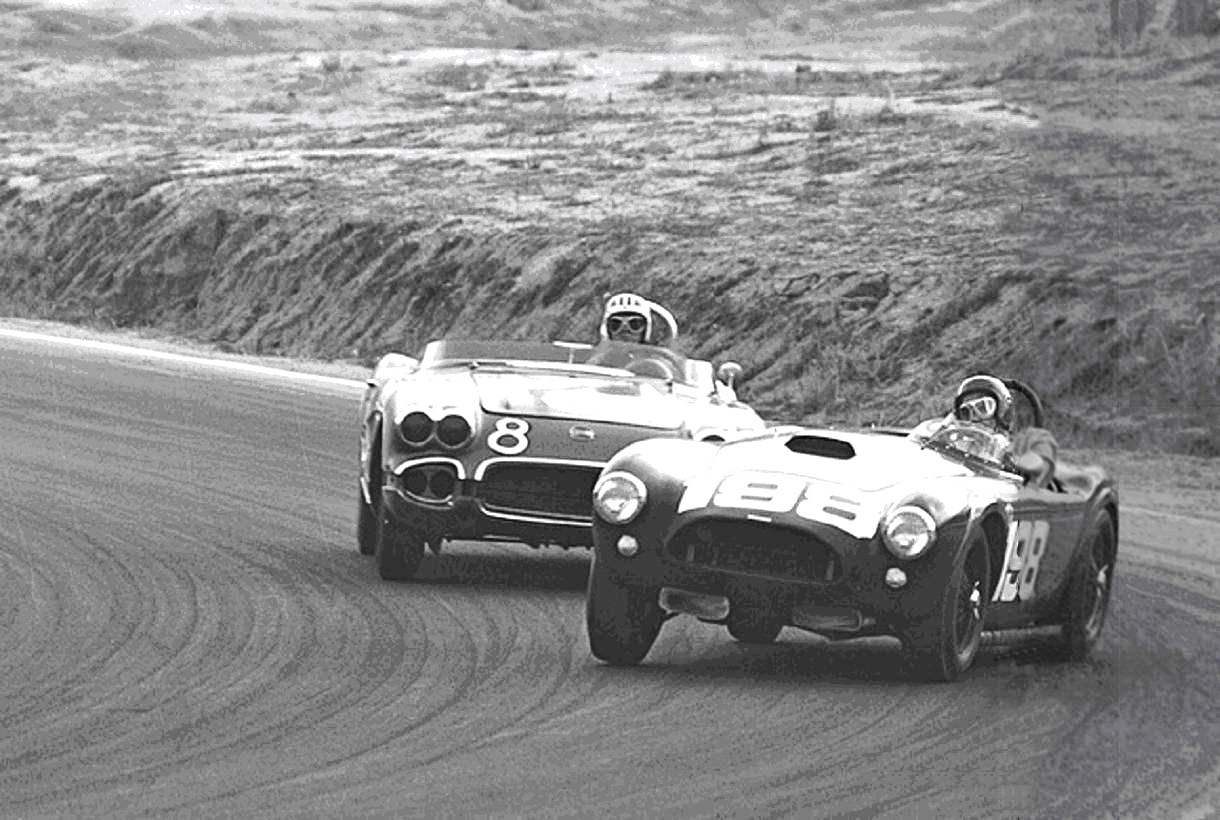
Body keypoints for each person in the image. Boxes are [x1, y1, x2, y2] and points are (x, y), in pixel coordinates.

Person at [912, 374, 1058, 487]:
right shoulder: (947, 436)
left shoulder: (1006, 450)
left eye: (984, 407)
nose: (975, 414)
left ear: (1002, 411)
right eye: (967, 409)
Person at [599, 292, 678, 346]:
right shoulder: (597, 363)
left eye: (635, 324)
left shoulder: (656, 363)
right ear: (607, 329)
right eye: (616, 324)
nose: (625, 330)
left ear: (646, 328)